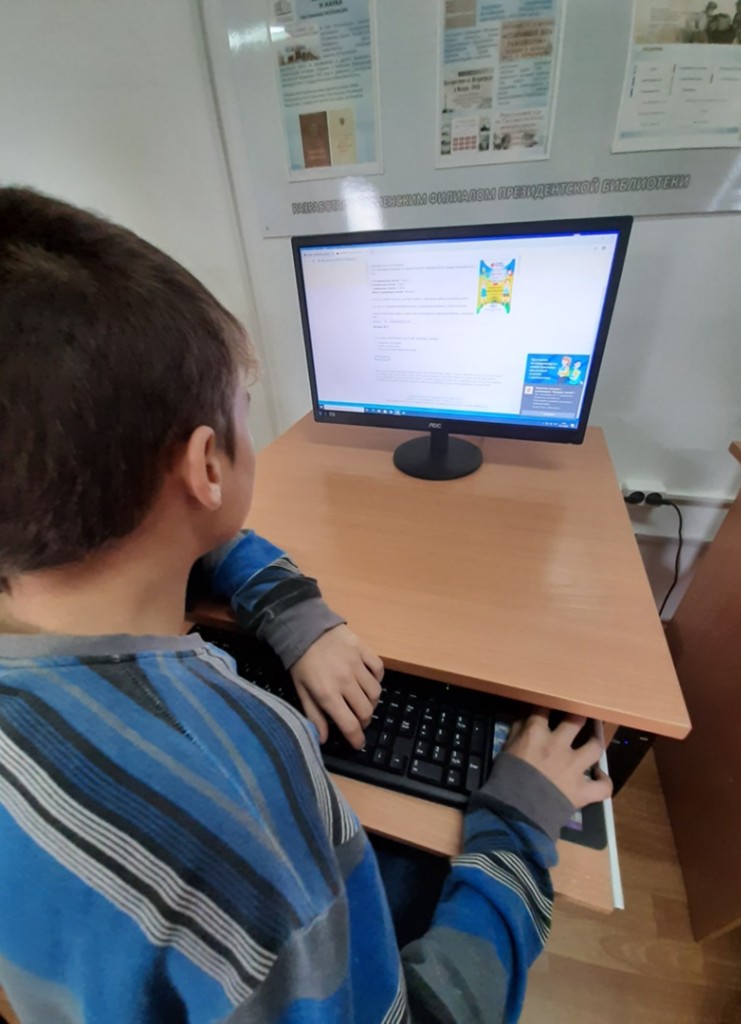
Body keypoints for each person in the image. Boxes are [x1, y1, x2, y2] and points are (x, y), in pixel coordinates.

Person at [0, 187, 612, 1023]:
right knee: (424, 841)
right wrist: (519, 822)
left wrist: (297, 617)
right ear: (208, 465)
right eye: (245, 408)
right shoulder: (246, 790)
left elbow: (195, 539)